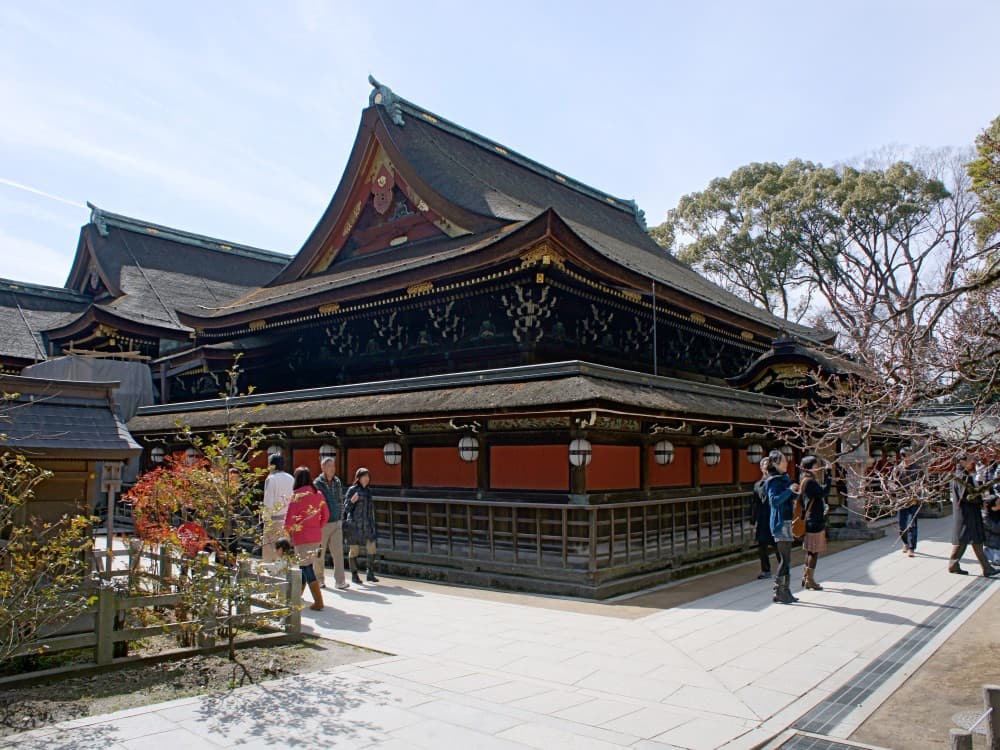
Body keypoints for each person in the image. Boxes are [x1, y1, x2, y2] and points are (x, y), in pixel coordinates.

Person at [284, 466, 329, 610]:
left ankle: (318, 600)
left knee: (306, 566)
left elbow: (289, 520)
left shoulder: (296, 496)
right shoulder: (318, 494)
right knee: (305, 565)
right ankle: (298, 595)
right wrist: (318, 526)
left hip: (301, 536)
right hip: (316, 536)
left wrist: (287, 533)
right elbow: (326, 515)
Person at [948, 454, 997, 577]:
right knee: (967, 540)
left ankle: (985, 567)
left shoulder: (960, 475)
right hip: (967, 514)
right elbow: (967, 497)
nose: (972, 462)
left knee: (974, 540)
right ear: (962, 462)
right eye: (969, 460)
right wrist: (981, 500)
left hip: (967, 513)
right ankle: (955, 564)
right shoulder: (962, 477)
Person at [763, 449, 798, 604]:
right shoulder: (773, 481)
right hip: (779, 522)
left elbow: (789, 496)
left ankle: (785, 591)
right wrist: (789, 490)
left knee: (787, 559)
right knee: (785, 559)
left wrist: (795, 491)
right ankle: (779, 591)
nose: (786, 463)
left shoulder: (784, 478)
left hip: (787, 520)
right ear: (776, 464)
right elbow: (774, 501)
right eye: (783, 460)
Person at [313, 457, 349, 590]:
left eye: (333, 466)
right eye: (329, 466)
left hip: (336, 522)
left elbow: (340, 499)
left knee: (338, 553)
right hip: (322, 523)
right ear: (322, 468)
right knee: (319, 553)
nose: (332, 469)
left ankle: (340, 581)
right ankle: (319, 579)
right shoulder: (317, 483)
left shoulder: (337, 481)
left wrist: (341, 515)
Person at [797, 456, 830, 591]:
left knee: (810, 551)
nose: (817, 468)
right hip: (815, 520)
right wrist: (828, 474)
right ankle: (810, 580)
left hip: (810, 519)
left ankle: (805, 577)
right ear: (809, 467)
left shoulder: (804, 480)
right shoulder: (810, 481)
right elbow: (824, 491)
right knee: (814, 551)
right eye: (815, 466)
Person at [344, 467, 379, 584]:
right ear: (358, 478)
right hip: (354, 525)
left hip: (367, 524)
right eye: (364, 476)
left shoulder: (369, 491)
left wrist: (373, 525)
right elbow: (346, 508)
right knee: (354, 550)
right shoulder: (352, 490)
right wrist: (352, 501)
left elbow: (370, 510)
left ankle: (370, 573)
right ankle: (354, 574)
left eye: (368, 476)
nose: (366, 479)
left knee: (372, 547)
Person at [750, 458, 779, 580]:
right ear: (761, 468)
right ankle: (765, 570)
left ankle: (783, 567)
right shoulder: (758, 485)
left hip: (774, 516)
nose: (767, 468)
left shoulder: (777, 482)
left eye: (769, 465)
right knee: (762, 545)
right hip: (762, 517)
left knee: (778, 544)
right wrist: (753, 519)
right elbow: (755, 503)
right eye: (765, 465)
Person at [262, 454, 294, 562]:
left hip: (273, 520)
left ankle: (269, 569)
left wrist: (266, 519)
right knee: (283, 549)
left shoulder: (271, 479)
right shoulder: (291, 478)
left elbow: (268, 500)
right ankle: (283, 569)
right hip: (287, 519)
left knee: (269, 549)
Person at [892, 447, 921, 557]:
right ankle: (905, 543)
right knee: (901, 524)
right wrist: (895, 489)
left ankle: (912, 547)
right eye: (908, 455)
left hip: (914, 499)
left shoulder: (917, 468)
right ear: (902, 456)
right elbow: (892, 482)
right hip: (901, 499)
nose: (910, 457)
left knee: (912, 524)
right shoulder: (897, 469)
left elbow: (923, 482)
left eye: (911, 455)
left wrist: (917, 489)